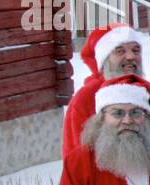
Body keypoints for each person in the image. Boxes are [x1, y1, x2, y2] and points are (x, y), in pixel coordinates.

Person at [62, 23, 144, 157]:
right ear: (104, 59)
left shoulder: (146, 92)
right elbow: (75, 158)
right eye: (120, 51)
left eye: (135, 50)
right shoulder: (85, 98)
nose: (130, 57)